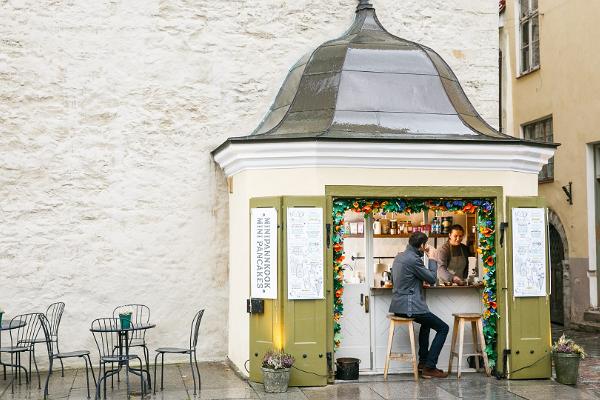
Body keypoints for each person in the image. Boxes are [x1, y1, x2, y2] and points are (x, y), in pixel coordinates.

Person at [389, 231, 449, 378]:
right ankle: (430, 367)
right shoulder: (413, 260)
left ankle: (423, 362)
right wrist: (433, 258)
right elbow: (432, 279)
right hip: (410, 307)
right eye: (425, 245)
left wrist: (423, 253)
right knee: (443, 328)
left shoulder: (400, 256)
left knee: (426, 324)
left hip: (398, 307)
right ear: (422, 245)